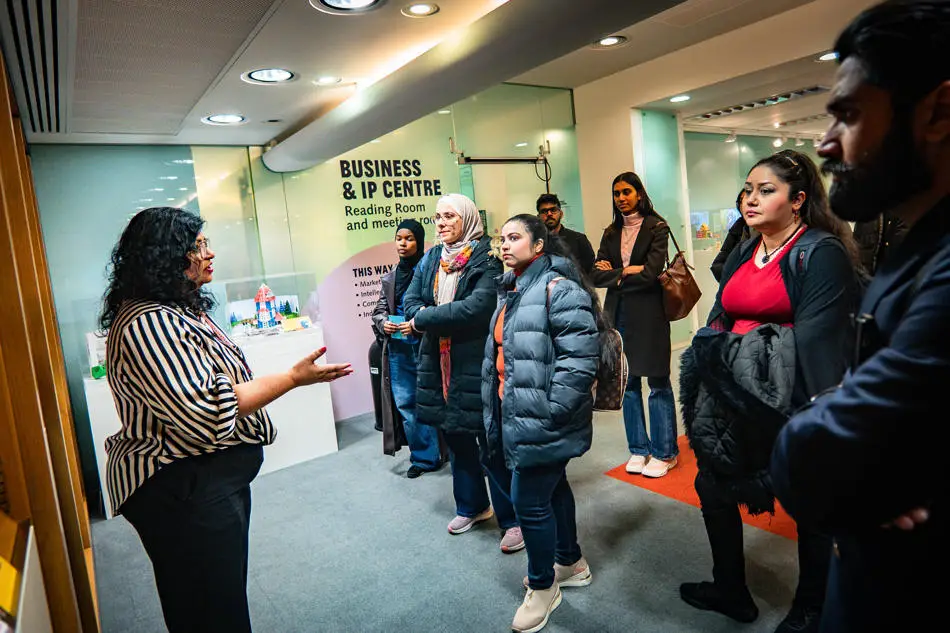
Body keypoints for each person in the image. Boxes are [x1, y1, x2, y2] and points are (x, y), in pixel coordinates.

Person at [771, 2, 950, 631]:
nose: (824, 143)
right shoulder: (922, 246)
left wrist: (847, 447)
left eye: (848, 114)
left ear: (938, 112)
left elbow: (815, 459)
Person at [100, 207, 352, 633]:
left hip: (204, 481)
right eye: (197, 246)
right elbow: (207, 412)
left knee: (218, 598)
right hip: (181, 486)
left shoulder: (177, 309)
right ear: (165, 255)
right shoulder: (149, 322)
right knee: (211, 611)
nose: (210, 253)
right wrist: (292, 378)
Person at [678, 150, 859, 633]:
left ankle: (812, 607)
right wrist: (714, 361)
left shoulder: (820, 252)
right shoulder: (745, 248)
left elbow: (817, 343)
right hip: (730, 396)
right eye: (747, 191)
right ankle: (730, 590)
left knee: (808, 504)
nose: (750, 200)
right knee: (712, 487)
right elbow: (719, 315)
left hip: (790, 398)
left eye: (765, 191)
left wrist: (734, 355)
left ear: (798, 200)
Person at [482, 214, 611, 632]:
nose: (504, 244)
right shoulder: (512, 288)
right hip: (516, 410)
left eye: (514, 237)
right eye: (502, 238)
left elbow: (580, 360)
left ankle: (543, 588)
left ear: (539, 245)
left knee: (529, 501)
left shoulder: (560, 288)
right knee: (552, 489)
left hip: (542, 416)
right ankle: (570, 562)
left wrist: (552, 410)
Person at [403, 194, 523, 552]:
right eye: (437, 217)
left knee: (490, 442)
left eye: (450, 216)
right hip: (438, 363)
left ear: (468, 219)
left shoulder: (486, 257)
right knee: (455, 436)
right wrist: (424, 315)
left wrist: (423, 319)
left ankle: (513, 519)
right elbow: (409, 300)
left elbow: (477, 308)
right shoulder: (431, 258)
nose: (441, 223)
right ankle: (473, 506)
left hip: (476, 360)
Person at [590, 172, 678, 478]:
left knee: (657, 382)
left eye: (626, 192)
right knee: (627, 383)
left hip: (650, 314)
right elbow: (595, 275)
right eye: (616, 193)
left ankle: (665, 452)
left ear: (639, 193)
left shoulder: (657, 227)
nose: (621, 198)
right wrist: (626, 271)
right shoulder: (611, 232)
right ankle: (639, 449)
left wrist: (615, 273)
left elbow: (651, 273)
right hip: (618, 314)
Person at [372, 219, 443, 477]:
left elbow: (439, 307)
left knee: (436, 398)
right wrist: (384, 323)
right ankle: (424, 458)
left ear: (419, 241)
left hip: (427, 344)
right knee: (407, 403)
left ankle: (449, 452)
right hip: (399, 348)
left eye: (409, 238)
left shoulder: (432, 271)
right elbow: (379, 310)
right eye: (399, 238)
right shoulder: (391, 276)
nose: (403, 243)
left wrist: (418, 324)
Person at [536, 193, 596, 274]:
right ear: (538, 217)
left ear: (561, 214)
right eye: (544, 211)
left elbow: (590, 272)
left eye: (553, 210)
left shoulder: (579, 239)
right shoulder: (535, 244)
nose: (549, 214)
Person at [710, 190, 755, 282]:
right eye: (742, 200)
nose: (746, 204)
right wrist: (735, 280)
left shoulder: (767, 230)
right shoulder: (737, 228)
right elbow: (717, 265)